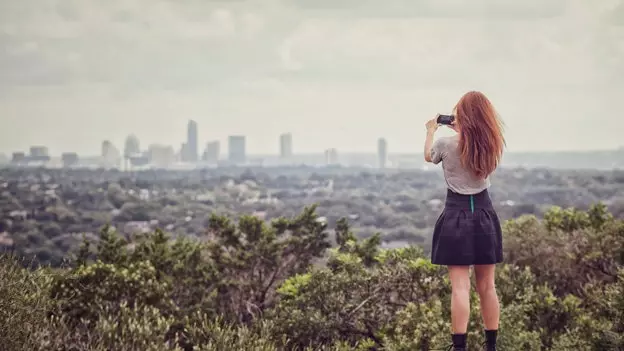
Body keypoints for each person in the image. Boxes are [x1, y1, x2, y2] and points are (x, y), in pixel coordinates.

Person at [423, 91, 505, 351]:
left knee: (460, 288)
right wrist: (465, 127)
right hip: (484, 215)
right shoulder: (490, 143)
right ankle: (490, 345)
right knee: (487, 286)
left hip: (456, 217)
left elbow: (429, 156)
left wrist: (430, 130)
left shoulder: (446, 144)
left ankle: (459, 347)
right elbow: (471, 147)